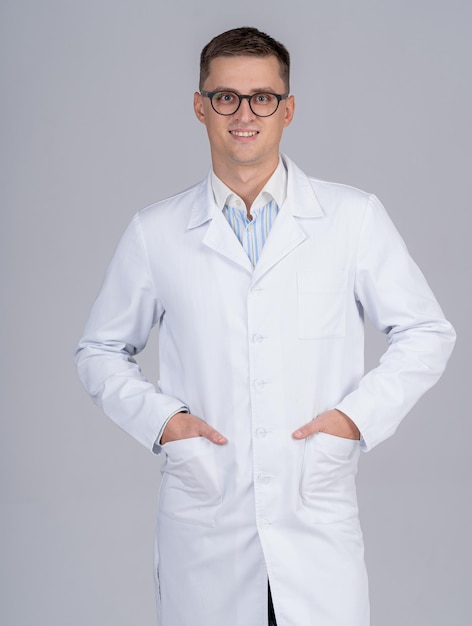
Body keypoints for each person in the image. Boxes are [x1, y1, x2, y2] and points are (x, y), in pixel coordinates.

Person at [75, 26, 455, 626]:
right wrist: (164, 423)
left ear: (288, 109)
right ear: (200, 107)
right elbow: (99, 350)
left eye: (263, 97)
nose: (244, 113)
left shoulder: (351, 219)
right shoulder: (156, 232)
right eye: (226, 97)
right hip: (208, 520)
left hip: (314, 512)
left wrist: (355, 419)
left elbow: (427, 332)